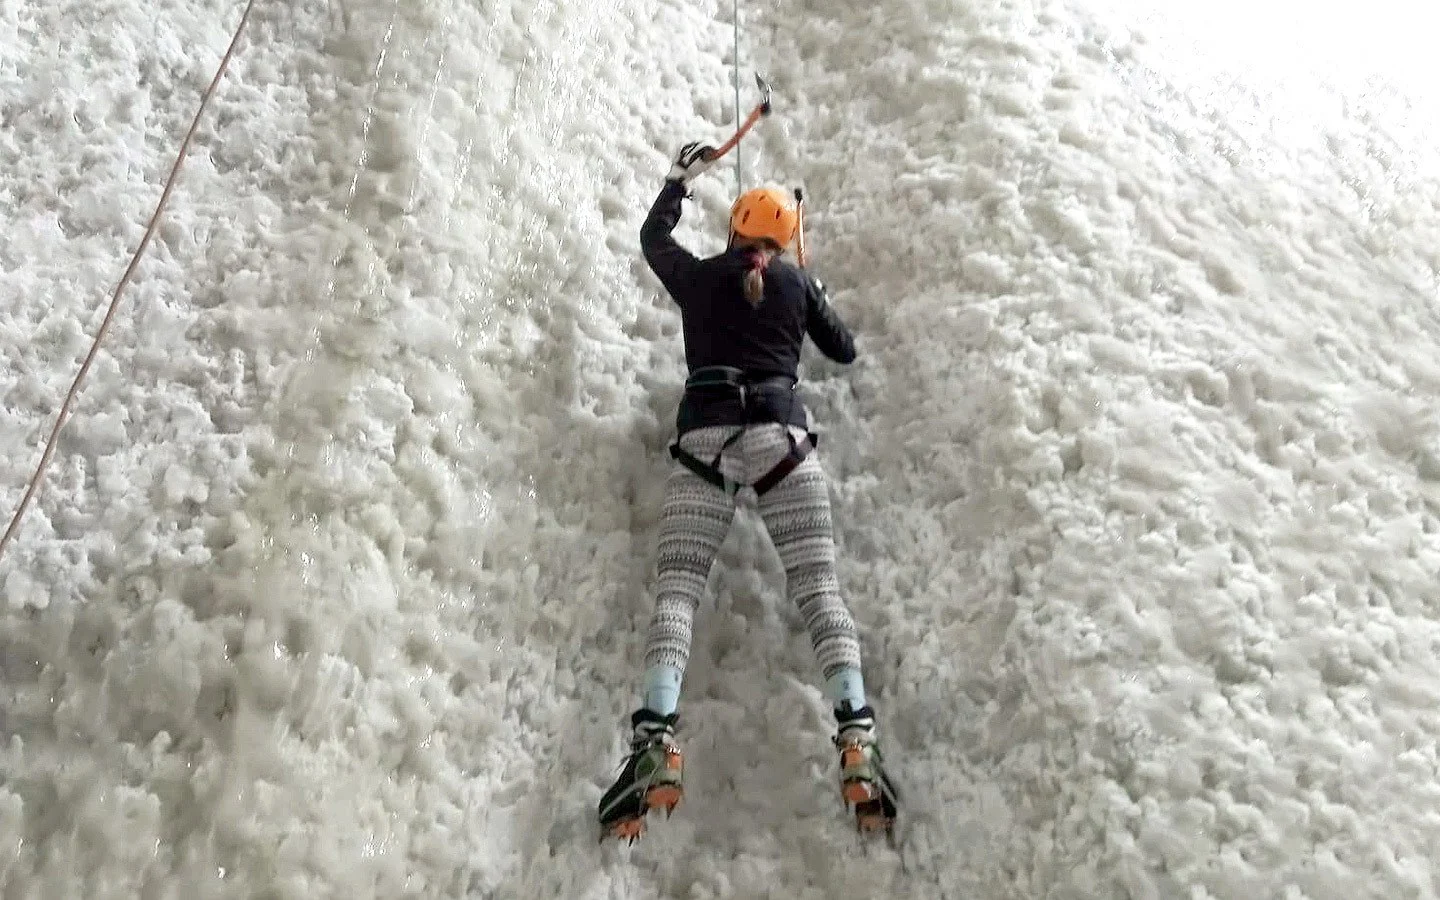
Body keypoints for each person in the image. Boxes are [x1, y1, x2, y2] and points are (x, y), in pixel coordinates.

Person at [597, 142, 898, 841]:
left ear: (733, 230)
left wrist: (678, 181)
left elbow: (653, 240)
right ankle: (857, 737)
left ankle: (654, 745)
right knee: (821, 589)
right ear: (788, 239)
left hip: (706, 440)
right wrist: (809, 287)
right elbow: (844, 349)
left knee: (678, 590)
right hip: (782, 444)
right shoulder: (795, 284)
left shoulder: (701, 277)